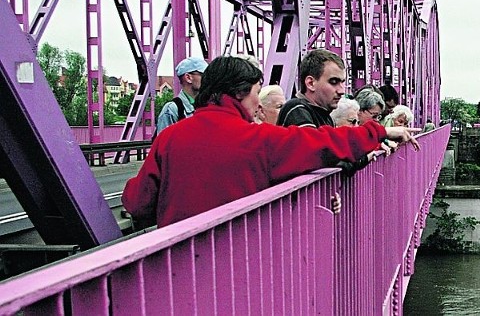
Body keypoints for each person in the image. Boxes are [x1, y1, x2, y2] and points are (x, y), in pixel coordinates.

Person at [122, 56, 421, 227]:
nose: (258, 103)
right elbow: (321, 143)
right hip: (242, 264)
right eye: (256, 91)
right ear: (239, 93)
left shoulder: (171, 137)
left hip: (174, 271)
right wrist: (378, 132)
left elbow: (137, 203)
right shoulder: (258, 138)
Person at [277, 49, 345, 127]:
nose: (341, 91)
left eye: (342, 82)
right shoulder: (297, 109)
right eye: (333, 82)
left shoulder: (327, 118)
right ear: (310, 83)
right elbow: (311, 139)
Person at [155, 57, 207, 134]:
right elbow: (163, 143)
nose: (207, 79)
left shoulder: (207, 105)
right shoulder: (172, 109)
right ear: (188, 77)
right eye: (203, 75)